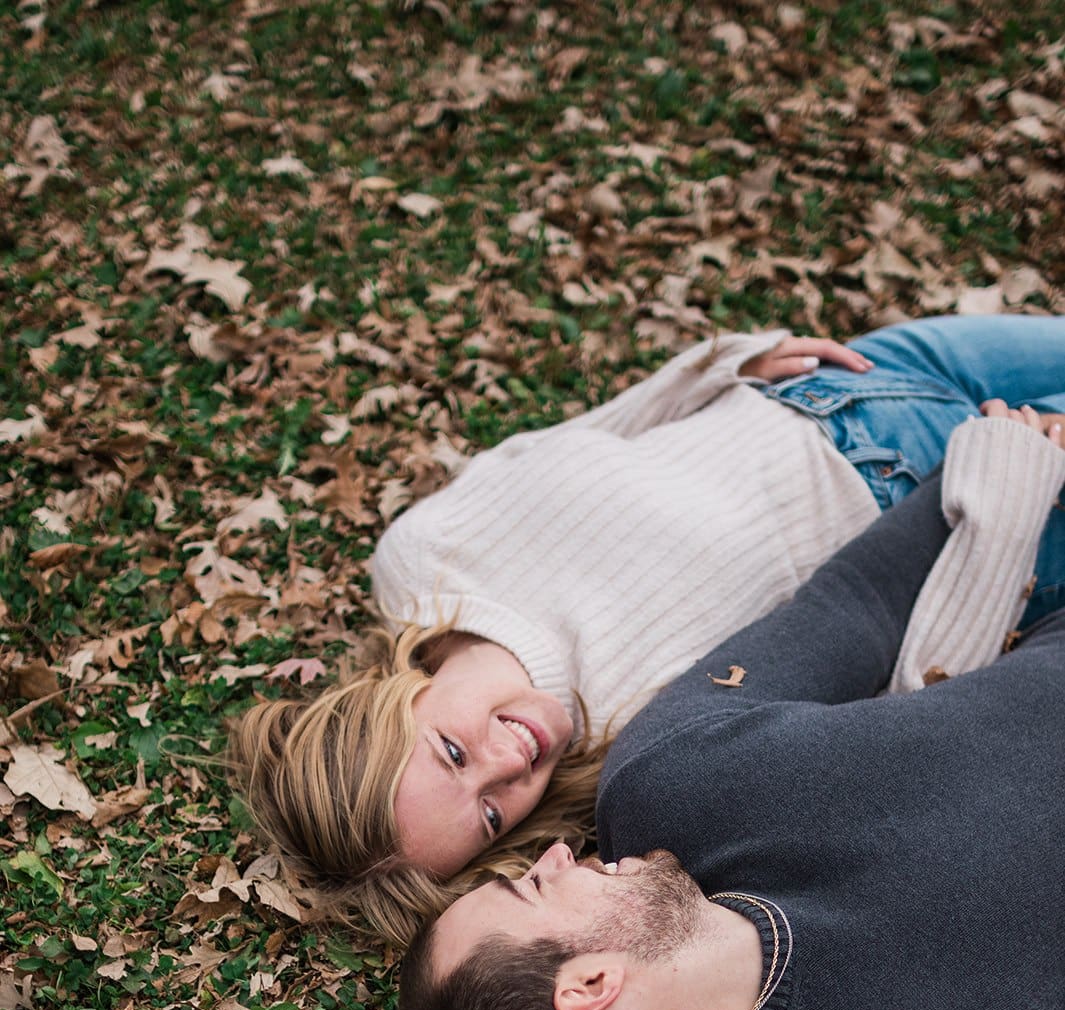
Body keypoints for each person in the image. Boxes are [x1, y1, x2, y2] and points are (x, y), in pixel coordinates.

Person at [397, 408, 1065, 1010]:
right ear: (592, 985)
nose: (556, 854)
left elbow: (854, 605)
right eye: (532, 889)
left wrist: (1004, 460)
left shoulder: (671, 783)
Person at [227, 315, 1065, 945]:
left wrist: (717, 367)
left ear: (389, 703)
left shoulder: (419, 561)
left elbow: (573, 441)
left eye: (451, 753)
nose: (508, 765)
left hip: (866, 376)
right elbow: (899, 710)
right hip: (966, 497)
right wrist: (1007, 518)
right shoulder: (635, 752)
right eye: (489, 815)